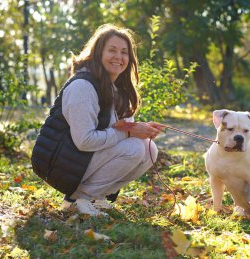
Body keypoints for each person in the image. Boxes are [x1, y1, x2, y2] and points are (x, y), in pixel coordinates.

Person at [31, 24, 164, 216]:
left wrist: (141, 129)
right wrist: (129, 131)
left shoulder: (116, 88)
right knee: (135, 148)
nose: (119, 57)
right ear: (98, 52)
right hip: (57, 163)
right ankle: (77, 199)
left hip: (80, 160)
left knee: (148, 148)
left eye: (124, 52)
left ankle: (95, 197)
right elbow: (85, 141)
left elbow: (120, 129)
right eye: (112, 50)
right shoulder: (83, 86)